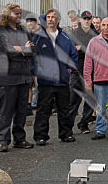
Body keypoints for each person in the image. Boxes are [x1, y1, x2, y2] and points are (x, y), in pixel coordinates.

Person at [0, 3, 35, 152]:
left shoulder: (24, 31)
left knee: (21, 110)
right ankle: (3, 140)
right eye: (16, 13)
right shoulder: (0, 33)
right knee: (6, 110)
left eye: (20, 13)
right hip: (6, 77)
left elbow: (33, 50)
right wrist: (24, 48)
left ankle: (19, 139)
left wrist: (21, 49)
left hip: (23, 76)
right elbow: (8, 52)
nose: (19, 16)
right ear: (7, 14)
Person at [32, 9, 78, 145]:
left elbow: (73, 54)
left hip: (62, 80)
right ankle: (40, 136)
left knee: (64, 109)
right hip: (45, 81)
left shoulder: (65, 37)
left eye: (53, 17)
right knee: (43, 109)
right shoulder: (38, 37)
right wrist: (37, 71)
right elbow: (33, 56)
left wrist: (69, 69)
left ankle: (66, 134)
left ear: (58, 20)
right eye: (48, 17)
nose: (51, 19)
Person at [69, 10, 97, 134]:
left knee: (90, 100)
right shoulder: (74, 33)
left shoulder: (95, 34)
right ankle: (68, 127)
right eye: (84, 19)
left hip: (92, 71)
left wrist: (82, 48)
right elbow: (69, 50)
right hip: (77, 71)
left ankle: (84, 124)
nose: (86, 21)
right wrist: (81, 49)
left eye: (88, 19)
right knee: (74, 101)